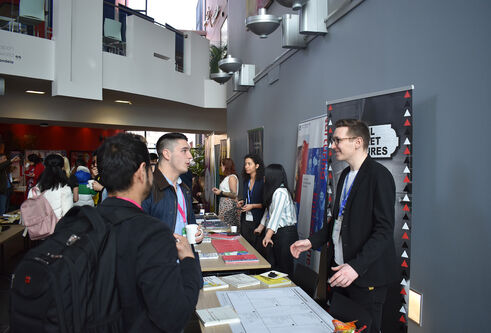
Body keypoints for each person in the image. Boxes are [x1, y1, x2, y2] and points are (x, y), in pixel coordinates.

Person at [290, 119, 397, 333]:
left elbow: (384, 231)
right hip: (340, 272)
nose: (332, 145)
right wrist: (311, 241)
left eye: (337, 140)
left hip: (365, 277)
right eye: (332, 140)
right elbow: (338, 223)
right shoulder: (345, 176)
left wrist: (355, 267)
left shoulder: (379, 176)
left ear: (358, 142)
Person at [96, 133, 201, 331]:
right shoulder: (148, 203)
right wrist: (188, 261)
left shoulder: (83, 222)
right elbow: (173, 316)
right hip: (154, 285)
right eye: (184, 150)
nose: (190, 157)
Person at [142, 132, 204, 257]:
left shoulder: (184, 189)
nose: (190, 156)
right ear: (166, 154)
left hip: (184, 263)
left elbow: (190, 222)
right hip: (159, 265)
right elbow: (139, 234)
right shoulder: (147, 188)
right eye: (184, 151)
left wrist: (198, 233)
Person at [254, 164, 298, 276]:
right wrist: (260, 227)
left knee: (284, 267)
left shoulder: (281, 192)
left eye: (265, 176)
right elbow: (269, 211)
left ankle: (288, 290)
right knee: (274, 267)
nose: (263, 178)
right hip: (277, 233)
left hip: (285, 234)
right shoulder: (274, 192)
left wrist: (268, 235)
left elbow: (276, 215)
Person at [28, 154, 73, 220]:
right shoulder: (65, 189)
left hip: (38, 227)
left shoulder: (35, 189)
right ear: (62, 168)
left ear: (45, 166)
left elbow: (30, 211)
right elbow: (67, 214)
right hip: (56, 227)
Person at [237, 153, 265, 254]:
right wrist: (242, 202)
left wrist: (252, 206)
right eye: (245, 164)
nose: (246, 167)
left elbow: (266, 204)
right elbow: (248, 198)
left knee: (255, 249)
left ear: (257, 166)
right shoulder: (246, 181)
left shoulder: (262, 181)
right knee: (245, 246)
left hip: (258, 220)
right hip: (245, 219)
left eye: (249, 164)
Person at [212, 158, 240, 227]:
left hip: (229, 206)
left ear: (225, 166)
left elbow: (234, 194)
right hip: (225, 205)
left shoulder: (232, 177)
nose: (221, 167)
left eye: (221, 165)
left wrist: (220, 192)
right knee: (224, 226)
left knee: (227, 226)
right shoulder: (228, 177)